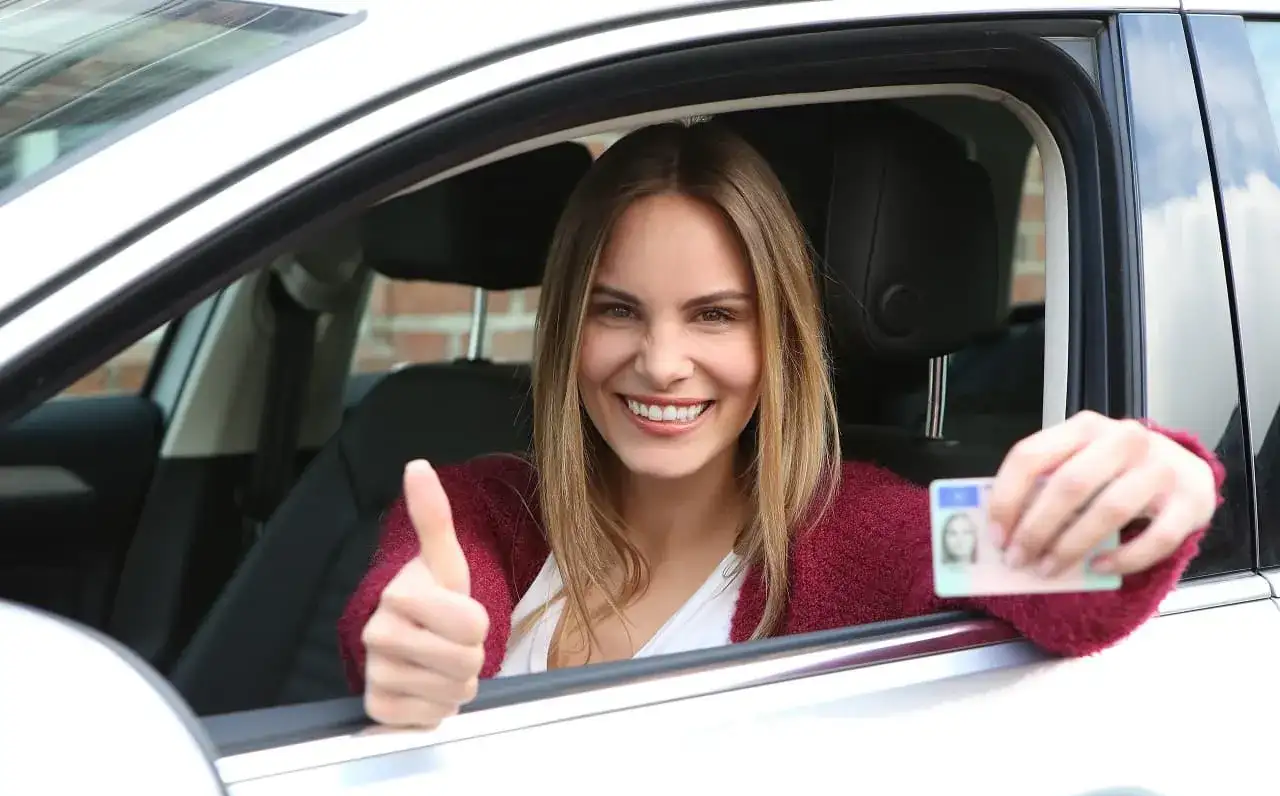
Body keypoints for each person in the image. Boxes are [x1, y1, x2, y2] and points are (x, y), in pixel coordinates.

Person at [337, 120, 1225, 729]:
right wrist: (413, 650)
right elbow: (419, 609)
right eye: (617, 310)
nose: (661, 361)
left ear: (778, 338)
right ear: (568, 325)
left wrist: (1166, 480)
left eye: (715, 315)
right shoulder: (478, 508)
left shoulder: (859, 533)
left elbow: (1073, 581)